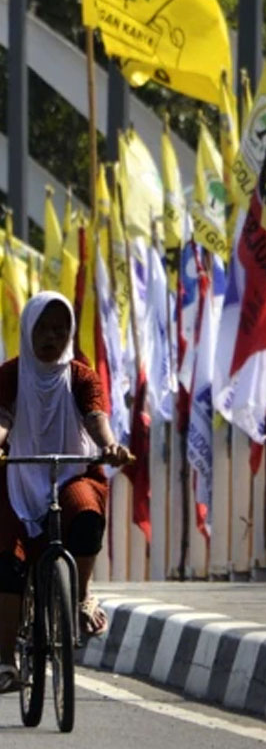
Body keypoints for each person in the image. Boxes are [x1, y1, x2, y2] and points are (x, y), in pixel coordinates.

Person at [0, 292, 131, 693]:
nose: (51, 337)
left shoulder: (80, 375)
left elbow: (96, 416)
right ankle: (5, 660)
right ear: (28, 329)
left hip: (71, 470)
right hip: (17, 476)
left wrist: (109, 445)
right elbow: (2, 418)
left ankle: (81, 596)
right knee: (7, 560)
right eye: (43, 327)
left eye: (60, 329)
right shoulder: (9, 375)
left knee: (87, 513)